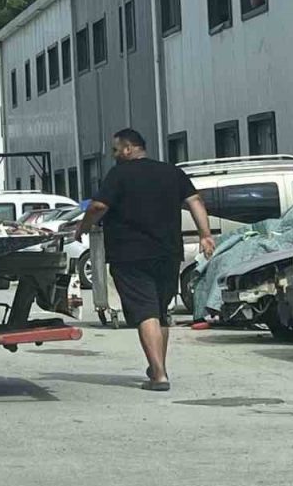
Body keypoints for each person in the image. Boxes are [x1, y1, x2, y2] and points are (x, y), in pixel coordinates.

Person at [74, 128, 213, 391]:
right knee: (161, 313)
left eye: (116, 150)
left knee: (145, 312)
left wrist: (83, 227)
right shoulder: (172, 172)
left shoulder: (119, 175)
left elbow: (98, 206)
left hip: (131, 255)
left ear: (128, 149)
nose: (114, 155)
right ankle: (158, 367)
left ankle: (159, 375)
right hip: (169, 253)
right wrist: (205, 234)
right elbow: (195, 200)